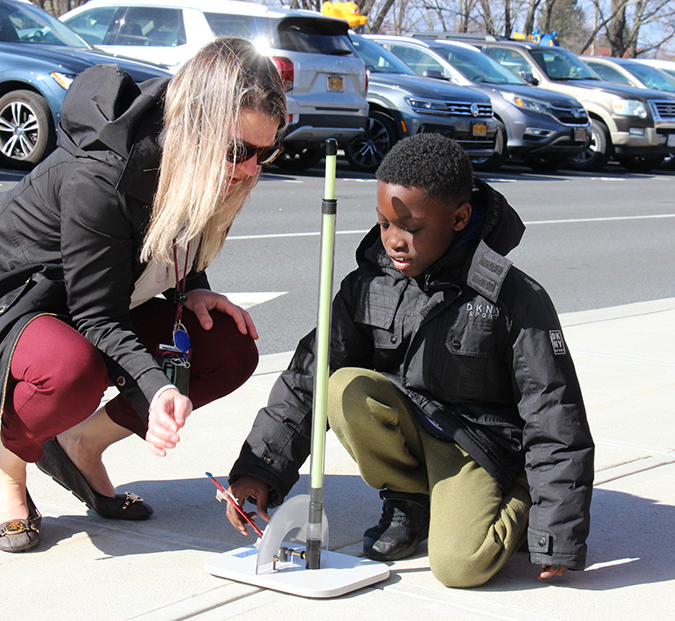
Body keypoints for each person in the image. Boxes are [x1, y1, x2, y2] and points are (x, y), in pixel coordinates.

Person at [0, 37, 287, 553]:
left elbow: (170, 234)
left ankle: (81, 443)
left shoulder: (201, 160)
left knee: (226, 346)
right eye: (239, 150)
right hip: (8, 301)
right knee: (71, 371)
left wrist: (192, 287)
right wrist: (157, 389)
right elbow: (98, 318)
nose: (251, 168)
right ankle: (7, 464)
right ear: (198, 126)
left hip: (89, 301)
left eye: (267, 151)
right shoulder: (104, 173)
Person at [224, 133, 594, 588]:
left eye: (412, 228)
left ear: (459, 218)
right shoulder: (369, 283)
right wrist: (258, 470)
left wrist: (554, 534)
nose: (395, 241)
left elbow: (554, 414)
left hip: (478, 447)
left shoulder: (511, 297)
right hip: (414, 425)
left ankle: (519, 497)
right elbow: (309, 375)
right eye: (384, 224)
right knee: (342, 387)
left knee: (461, 567)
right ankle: (411, 500)